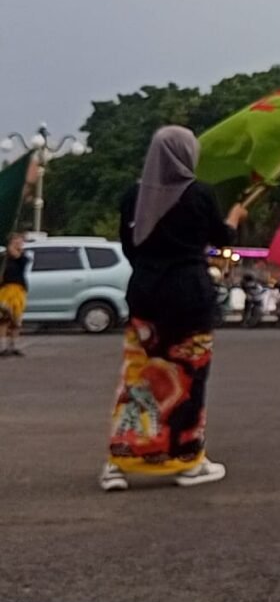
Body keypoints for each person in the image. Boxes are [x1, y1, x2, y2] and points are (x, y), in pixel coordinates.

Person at [100, 126, 247, 492]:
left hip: (146, 295)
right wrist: (234, 217)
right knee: (189, 380)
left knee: (137, 378)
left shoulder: (132, 197)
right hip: (188, 298)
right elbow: (221, 239)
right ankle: (187, 460)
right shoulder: (198, 194)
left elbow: (131, 248)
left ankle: (119, 463)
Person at [0, 233, 29, 357]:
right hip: (5, 291)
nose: (19, 244)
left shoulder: (23, 258)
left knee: (16, 321)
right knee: (4, 319)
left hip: (18, 291)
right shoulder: (3, 258)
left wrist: (15, 249)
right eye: (16, 241)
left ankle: (14, 346)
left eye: (20, 241)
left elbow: (18, 257)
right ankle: (2, 347)